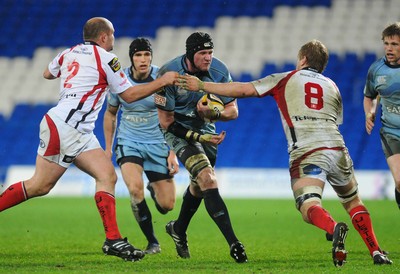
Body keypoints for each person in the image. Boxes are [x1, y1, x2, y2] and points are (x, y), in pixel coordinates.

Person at [178, 39, 392, 266]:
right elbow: (337, 119)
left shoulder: (287, 78)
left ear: (303, 59)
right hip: (338, 148)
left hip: (308, 150)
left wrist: (201, 86)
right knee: (352, 202)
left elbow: (243, 89)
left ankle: (333, 226)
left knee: (308, 205)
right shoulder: (332, 85)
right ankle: (376, 251)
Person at [0, 17, 178, 262]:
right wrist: (162, 81)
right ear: (104, 37)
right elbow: (128, 95)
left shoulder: (68, 52)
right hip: (67, 126)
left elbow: (46, 73)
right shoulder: (107, 59)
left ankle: (113, 240)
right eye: (112, 35)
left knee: (107, 176)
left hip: (77, 129)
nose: (114, 39)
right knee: (39, 185)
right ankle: (113, 239)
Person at [155, 31, 247, 263]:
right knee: (208, 179)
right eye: (203, 53)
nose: (208, 57)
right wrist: (196, 137)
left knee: (198, 186)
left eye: (210, 52)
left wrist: (214, 112)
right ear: (191, 53)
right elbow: (166, 122)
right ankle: (234, 243)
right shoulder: (169, 73)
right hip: (178, 131)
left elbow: (233, 111)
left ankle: (178, 228)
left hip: (207, 131)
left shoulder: (218, 70)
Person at [103, 37, 179, 255]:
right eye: (138, 55)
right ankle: (152, 242)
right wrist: (108, 148)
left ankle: (153, 189)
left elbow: (173, 117)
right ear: (132, 58)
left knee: (167, 206)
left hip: (158, 144)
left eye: (147, 54)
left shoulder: (162, 78)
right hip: (129, 142)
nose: (143, 59)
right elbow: (110, 114)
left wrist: (173, 152)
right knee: (134, 190)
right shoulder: (120, 80)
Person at [364, 22, 400, 210]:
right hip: (391, 132)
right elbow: (368, 96)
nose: (389, 48)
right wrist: (369, 113)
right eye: (386, 43)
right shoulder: (376, 70)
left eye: (394, 44)